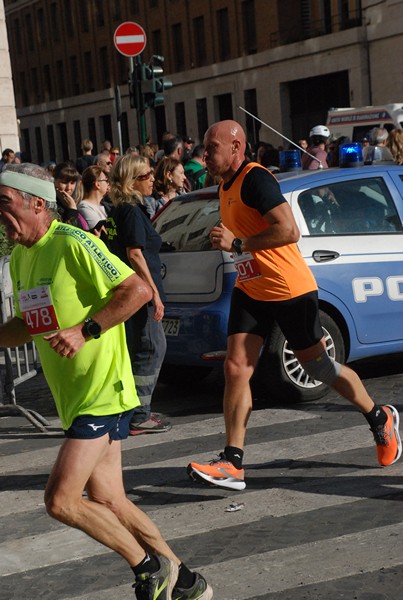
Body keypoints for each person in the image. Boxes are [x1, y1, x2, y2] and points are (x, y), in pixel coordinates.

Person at [0, 162, 213, 600]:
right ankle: (186, 581)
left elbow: (135, 290)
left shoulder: (73, 241)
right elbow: (30, 322)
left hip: (102, 390)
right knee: (111, 501)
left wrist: (85, 331)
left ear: (36, 203)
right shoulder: (21, 255)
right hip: (74, 396)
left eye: (5, 204)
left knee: (61, 501)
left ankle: (148, 567)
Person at [187, 119, 402, 492]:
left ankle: (378, 415)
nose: (204, 155)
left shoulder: (256, 179)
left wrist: (238, 244)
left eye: (212, 148)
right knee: (236, 366)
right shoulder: (224, 185)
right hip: (252, 288)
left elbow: (288, 231)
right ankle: (233, 462)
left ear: (236, 148)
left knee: (318, 366)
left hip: (288, 289)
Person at [105, 154, 171, 435]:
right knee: (151, 349)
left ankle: (134, 409)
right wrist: (154, 293)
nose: (153, 179)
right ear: (132, 181)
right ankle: (139, 414)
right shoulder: (130, 211)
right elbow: (135, 253)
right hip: (140, 292)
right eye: (146, 176)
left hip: (131, 290)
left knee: (143, 349)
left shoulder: (123, 210)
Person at [53, 162, 88, 230]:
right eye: (64, 182)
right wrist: (72, 210)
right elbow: (70, 231)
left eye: (72, 183)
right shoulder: (51, 207)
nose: (69, 188)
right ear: (54, 181)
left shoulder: (72, 202)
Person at [77, 165, 109, 233]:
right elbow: (101, 231)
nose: (108, 183)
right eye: (106, 180)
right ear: (97, 185)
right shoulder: (85, 207)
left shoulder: (104, 205)